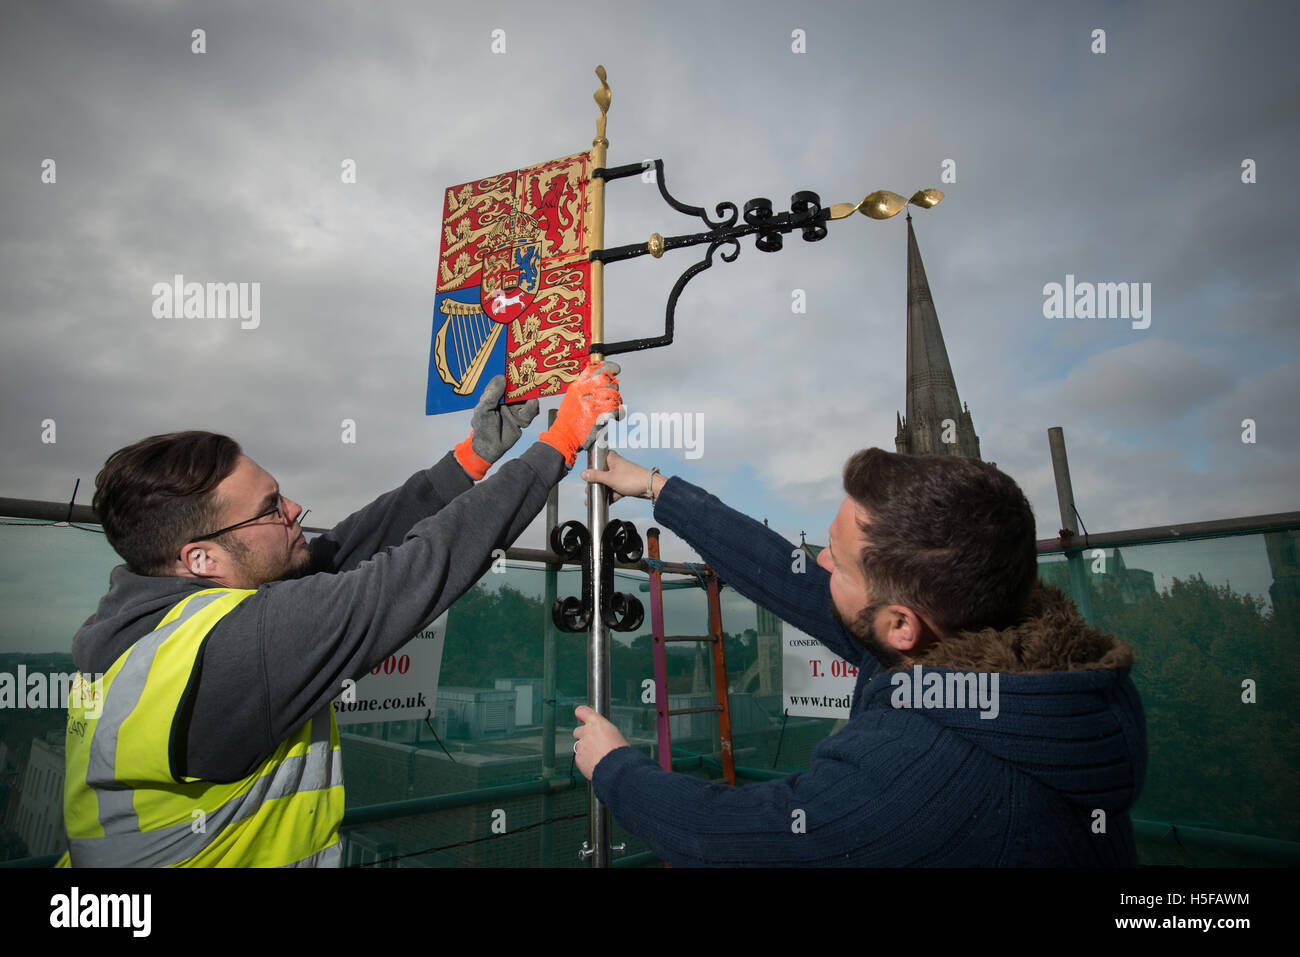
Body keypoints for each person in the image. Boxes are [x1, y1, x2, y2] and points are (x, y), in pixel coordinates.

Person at [59, 362, 621, 867]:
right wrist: (560, 442)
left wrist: (470, 460)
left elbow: (339, 553)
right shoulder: (237, 650)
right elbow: (419, 568)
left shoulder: (142, 622)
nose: (296, 509)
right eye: (270, 509)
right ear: (200, 558)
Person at [573, 447, 1146, 866]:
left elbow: (732, 836)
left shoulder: (919, 775)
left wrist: (615, 767)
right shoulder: (977, 647)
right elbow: (787, 575)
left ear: (901, 624)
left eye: (839, 563)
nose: (818, 562)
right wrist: (658, 488)